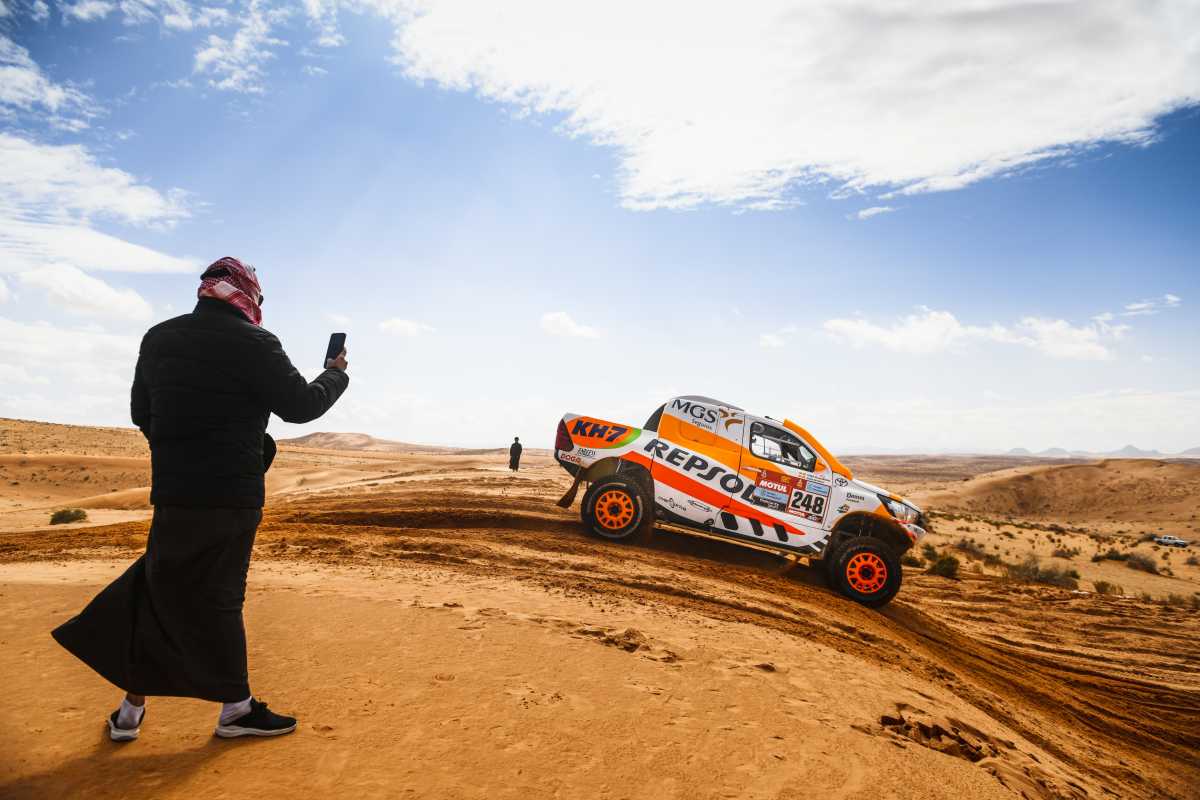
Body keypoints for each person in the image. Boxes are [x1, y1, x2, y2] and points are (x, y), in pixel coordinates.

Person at [51, 257, 349, 742]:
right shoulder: (255, 341)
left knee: (159, 592)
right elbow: (301, 406)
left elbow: (141, 412)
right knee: (219, 598)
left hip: (175, 491)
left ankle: (130, 712)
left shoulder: (159, 337)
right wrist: (335, 374)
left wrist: (181, 452)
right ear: (247, 294)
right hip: (231, 495)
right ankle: (236, 710)